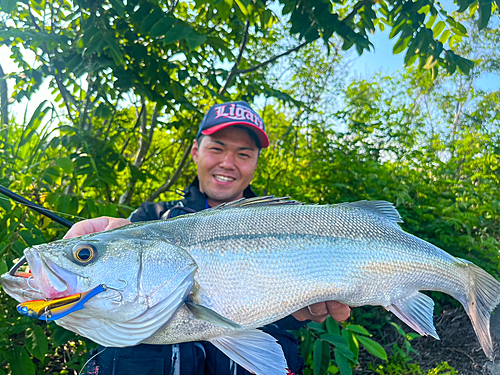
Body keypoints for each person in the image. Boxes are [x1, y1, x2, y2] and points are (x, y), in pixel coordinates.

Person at [67, 101, 351, 375]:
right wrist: (98, 251)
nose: (228, 163)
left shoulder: (287, 223)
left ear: (255, 163)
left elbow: (291, 316)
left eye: (243, 154)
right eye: (217, 148)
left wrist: (301, 311)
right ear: (195, 152)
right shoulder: (150, 218)